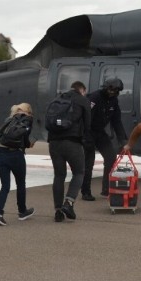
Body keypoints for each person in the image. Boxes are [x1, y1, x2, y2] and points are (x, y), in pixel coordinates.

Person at [47, 81, 92, 222]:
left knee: (59, 175)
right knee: (79, 172)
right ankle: (69, 202)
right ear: (82, 90)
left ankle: (58, 211)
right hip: (72, 142)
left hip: (54, 143)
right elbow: (87, 124)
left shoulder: (56, 99)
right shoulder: (83, 100)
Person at [0, 102, 35, 226]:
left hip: (0, 154)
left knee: (5, 186)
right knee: (20, 183)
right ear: (28, 112)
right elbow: (24, 142)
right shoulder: (27, 121)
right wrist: (30, 144)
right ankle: (22, 211)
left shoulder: (8, 120)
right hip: (15, 156)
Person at [83, 78, 128, 200]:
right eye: (111, 89)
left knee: (111, 157)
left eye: (116, 90)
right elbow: (86, 119)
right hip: (88, 131)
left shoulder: (113, 101)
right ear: (106, 87)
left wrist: (123, 140)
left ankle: (106, 189)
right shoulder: (94, 98)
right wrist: (86, 139)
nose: (113, 92)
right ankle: (85, 191)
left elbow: (117, 121)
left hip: (99, 132)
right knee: (89, 162)